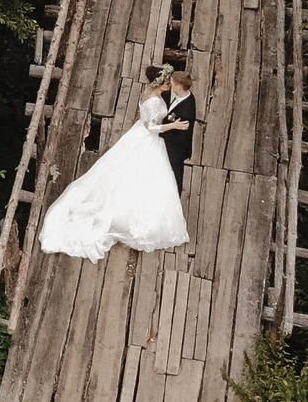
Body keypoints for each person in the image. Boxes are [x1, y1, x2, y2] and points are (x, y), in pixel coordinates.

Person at [36, 66, 192, 261]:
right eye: (168, 82)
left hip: (139, 136)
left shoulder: (150, 92)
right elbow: (151, 126)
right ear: (160, 83)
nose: (170, 85)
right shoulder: (153, 100)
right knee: (142, 175)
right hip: (148, 138)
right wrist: (174, 125)